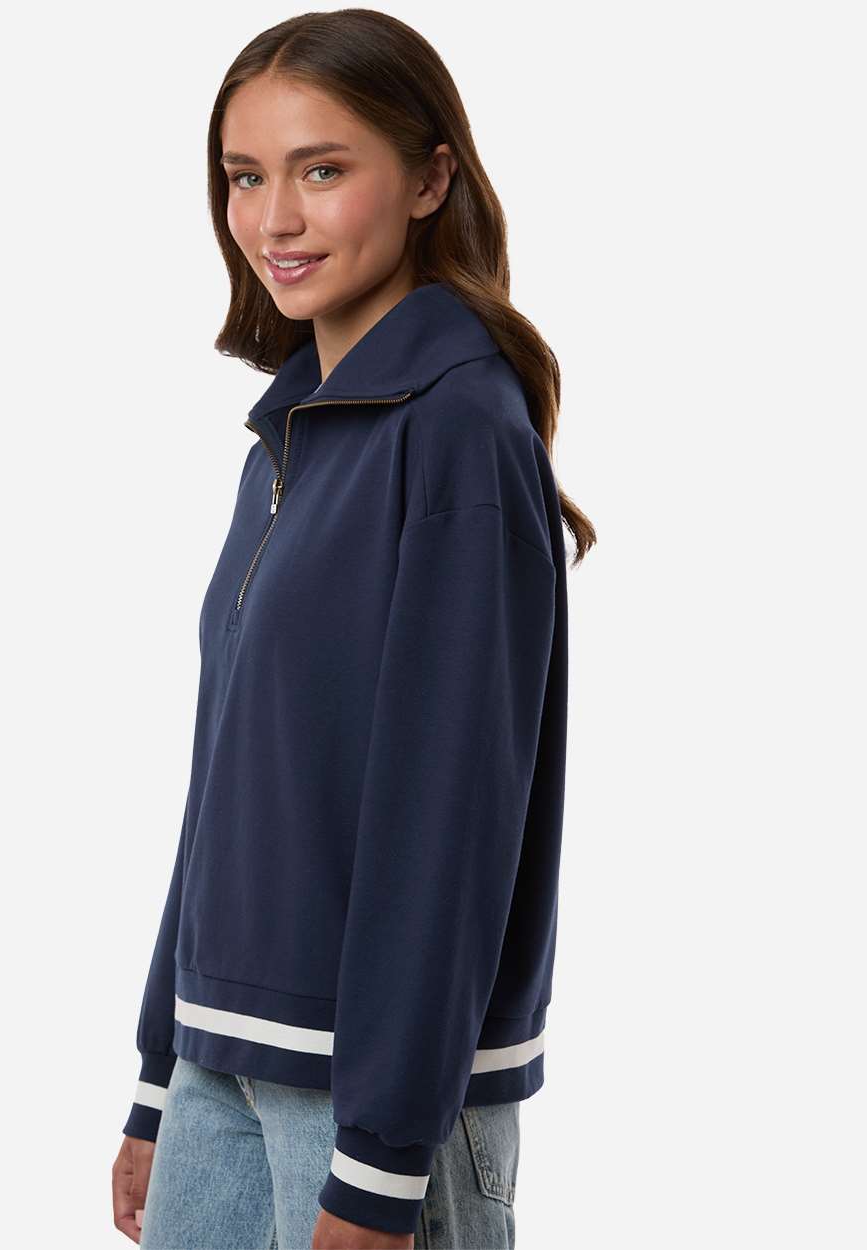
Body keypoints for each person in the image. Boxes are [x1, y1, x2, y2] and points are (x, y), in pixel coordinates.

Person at [111, 10, 595, 1249]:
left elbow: (449, 820)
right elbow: (227, 776)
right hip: (224, 1057)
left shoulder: (458, 433)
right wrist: (162, 1071)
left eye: (322, 170)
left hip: (377, 1095)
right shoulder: (292, 438)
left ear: (430, 178)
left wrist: (380, 1158)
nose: (275, 219)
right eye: (244, 176)